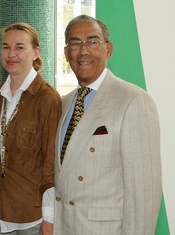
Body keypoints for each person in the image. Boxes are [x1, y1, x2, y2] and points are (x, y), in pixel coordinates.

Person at [54, 14, 162, 235]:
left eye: (93, 41)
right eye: (75, 43)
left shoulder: (133, 100)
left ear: (108, 49)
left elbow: (144, 194)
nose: (83, 50)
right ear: (66, 54)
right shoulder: (63, 104)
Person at [0, 23, 61, 235]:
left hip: (31, 217)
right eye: (6, 47)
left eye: (19, 47)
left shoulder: (47, 98)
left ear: (35, 53)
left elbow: (50, 162)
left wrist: (50, 218)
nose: (11, 54)